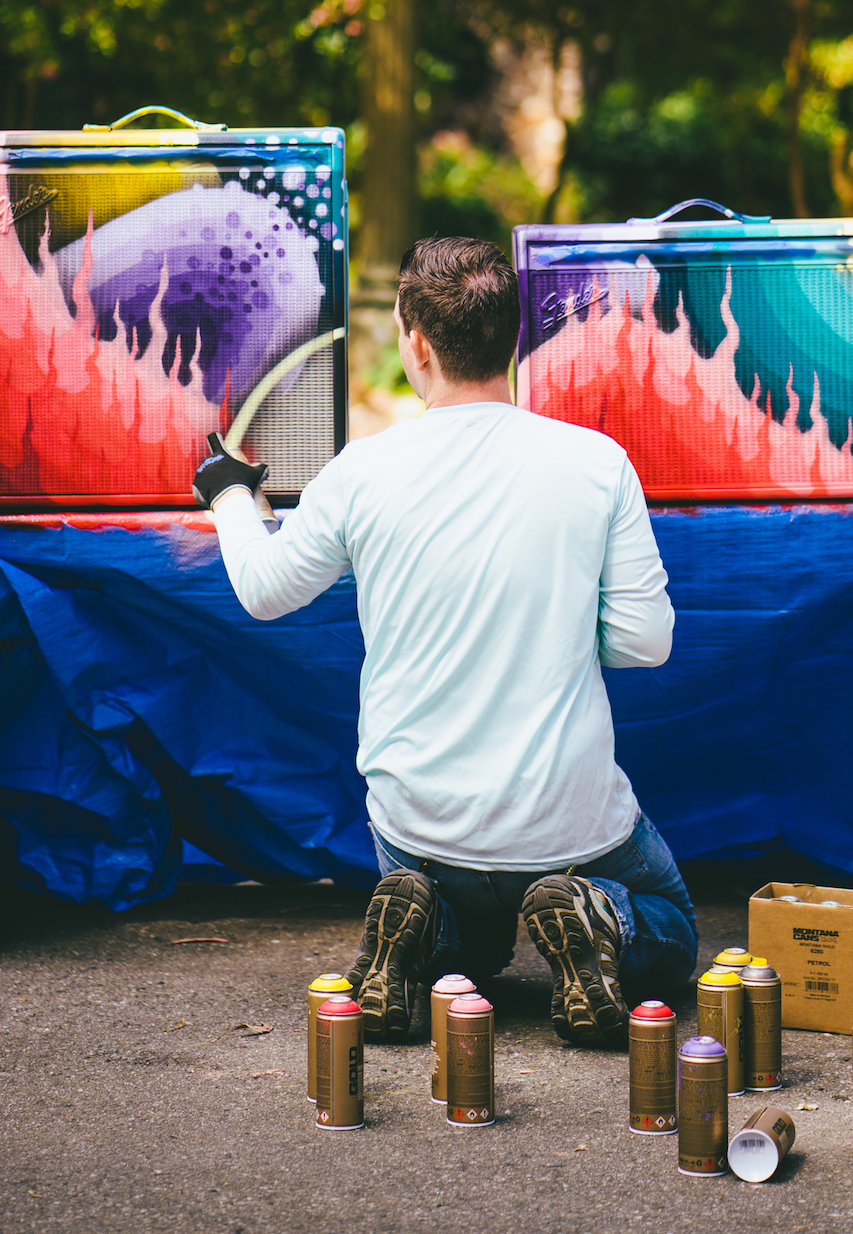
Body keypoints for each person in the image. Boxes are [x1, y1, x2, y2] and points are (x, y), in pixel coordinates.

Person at [193, 237, 697, 1047]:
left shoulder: (360, 471)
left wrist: (227, 495)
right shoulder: (597, 463)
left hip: (418, 824)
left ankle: (424, 936)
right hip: (570, 825)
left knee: (475, 942)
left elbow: (264, 589)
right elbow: (646, 643)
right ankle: (593, 914)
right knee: (672, 929)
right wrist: (555, 627)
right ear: (515, 339)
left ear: (416, 344)